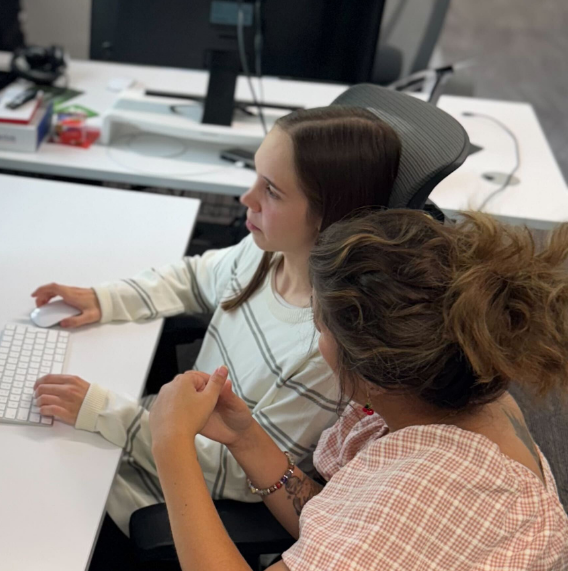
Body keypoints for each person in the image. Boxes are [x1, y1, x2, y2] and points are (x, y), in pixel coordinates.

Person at [62, 210, 568, 571]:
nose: (316, 338)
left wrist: (171, 444)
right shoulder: (455, 396)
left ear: (373, 375)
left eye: (320, 327)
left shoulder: (440, 488)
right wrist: (246, 438)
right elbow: (340, 524)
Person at [31, 106, 401, 535]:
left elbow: (239, 473)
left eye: (271, 191)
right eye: (255, 177)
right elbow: (192, 278)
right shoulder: (266, 253)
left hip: (166, 491)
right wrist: (105, 299)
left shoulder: (321, 350)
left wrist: (104, 413)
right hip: (147, 435)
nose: (247, 198)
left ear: (327, 214)